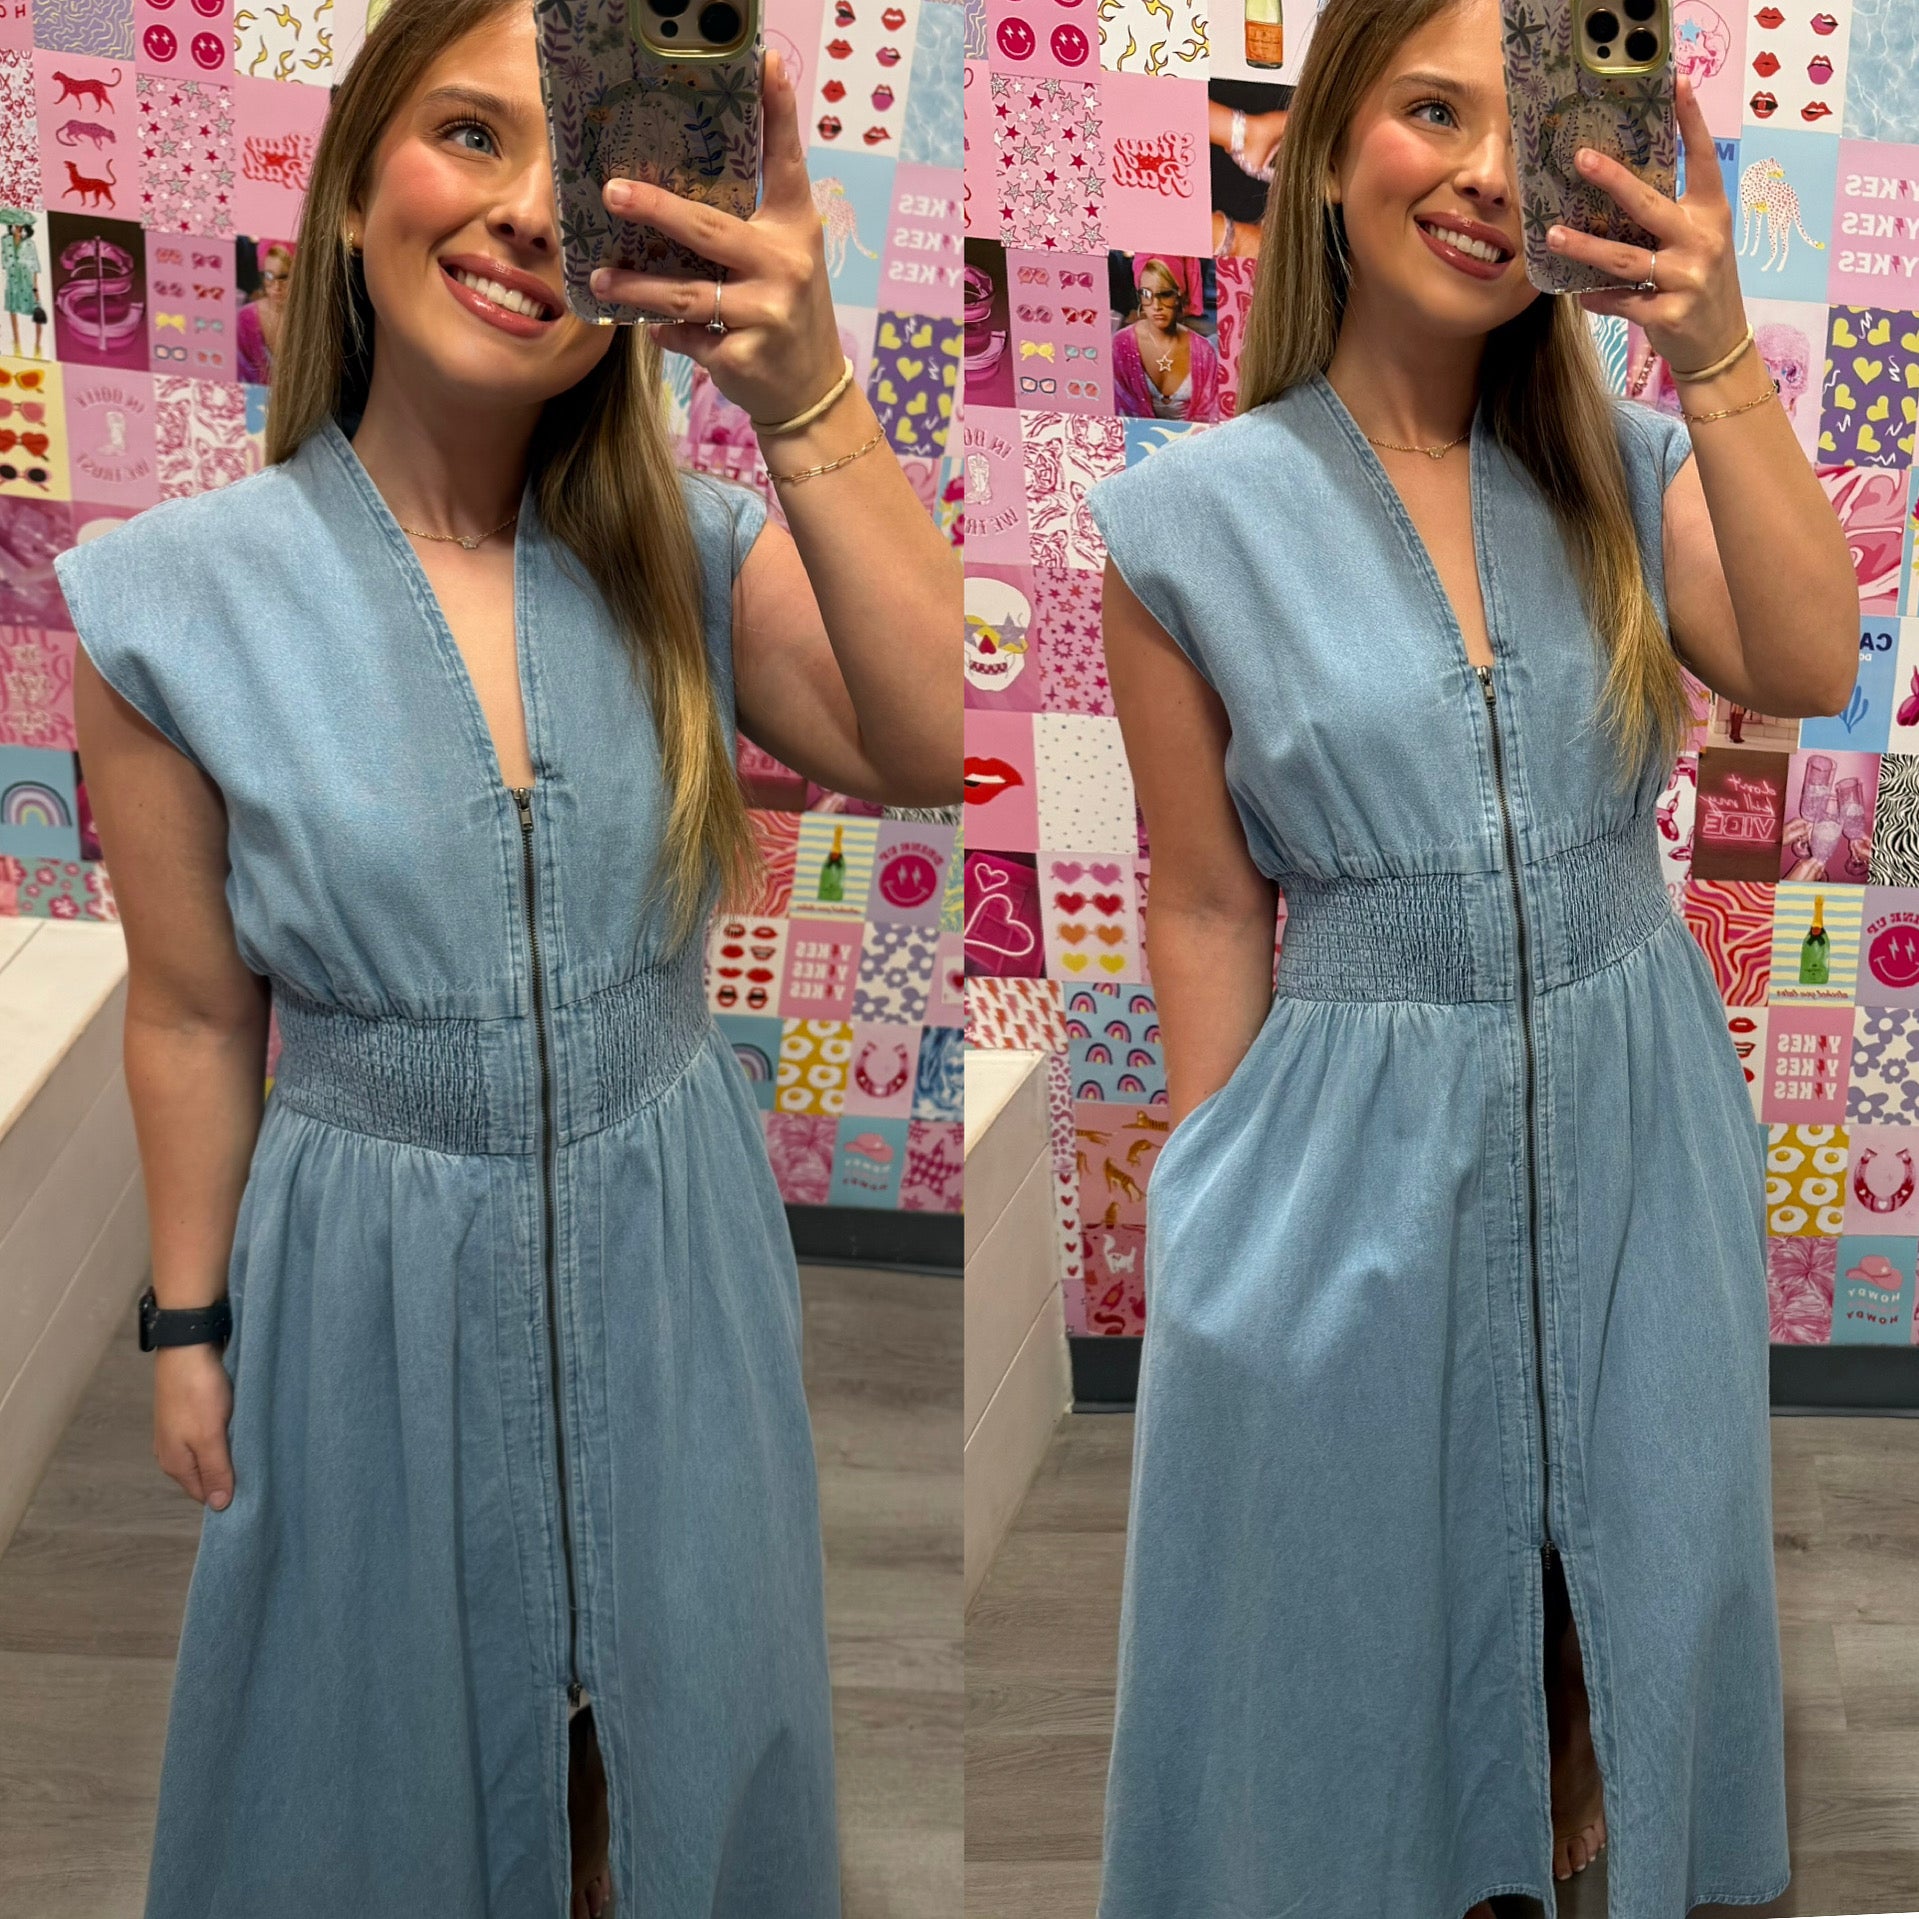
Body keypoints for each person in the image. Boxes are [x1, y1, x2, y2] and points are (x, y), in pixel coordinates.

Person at [55, 1, 960, 1915]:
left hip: (672, 1243)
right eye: (471, 134)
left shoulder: (696, 557)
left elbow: (917, 736)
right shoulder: (172, 607)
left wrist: (806, 386)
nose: (535, 212)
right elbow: (196, 1012)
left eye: (593, 165)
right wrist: (189, 1325)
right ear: (354, 178)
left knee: (673, 1716)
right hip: (362, 1276)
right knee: (375, 1754)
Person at [1083, 0, 1857, 1910]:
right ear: (1318, 145)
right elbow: (1204, 895)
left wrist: (1708, 342)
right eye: (1431, 110)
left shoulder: (1618, 463)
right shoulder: (1183, 524)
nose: (1487, 173)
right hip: (1346, 1114)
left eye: (1530, 125)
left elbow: (1800, 655)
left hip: (1632, 1077)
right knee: (1363, 1542)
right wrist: (1208, 1186)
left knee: (1625, 1507)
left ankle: (1569, 1763)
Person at [1110, 255, 1224, 423]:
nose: (1156, 306)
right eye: (1146, 294)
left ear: (1180, 295)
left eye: (1165, 294)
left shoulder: (1203, 351)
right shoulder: (1120, 345)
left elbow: (1211, 415)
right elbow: (1117, 411)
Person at [234, 239, 293, 384]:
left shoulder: (315, 319)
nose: (276, 286)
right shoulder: (245, 319)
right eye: (269, 276)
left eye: (284, 277)